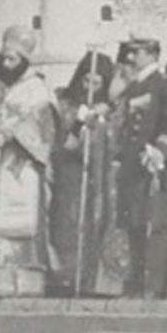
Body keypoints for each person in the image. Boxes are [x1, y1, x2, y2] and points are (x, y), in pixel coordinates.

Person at [0, 25, 57, 296]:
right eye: (3, 58)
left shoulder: (37, 89)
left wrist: (10, 134)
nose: (6, 64)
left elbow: (44, 126)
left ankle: (23, 280)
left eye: (12, 59)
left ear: (24, 60)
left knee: (20, 222)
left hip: (22, 167)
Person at [115, 34, 167, 297]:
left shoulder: (164, 84)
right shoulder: (134, 87)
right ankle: (134, 281)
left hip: (154, 166)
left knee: (154, 225)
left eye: (139, 52)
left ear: (153, 54)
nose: (132, 58)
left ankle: (152, 286)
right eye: (131, 53)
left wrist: (161, 151)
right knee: (133, 222)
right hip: (133, 165)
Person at [49, 50, 122, 296]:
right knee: (69, 222)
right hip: (71, 173)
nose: (90, 87)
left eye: (97, 83)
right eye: (86, 81)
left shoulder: (111, 109)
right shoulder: (65, 103)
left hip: (98, 175)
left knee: (96, 222)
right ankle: (67, 277)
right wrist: (81, 122)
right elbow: (61, 138)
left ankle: (94, 280)